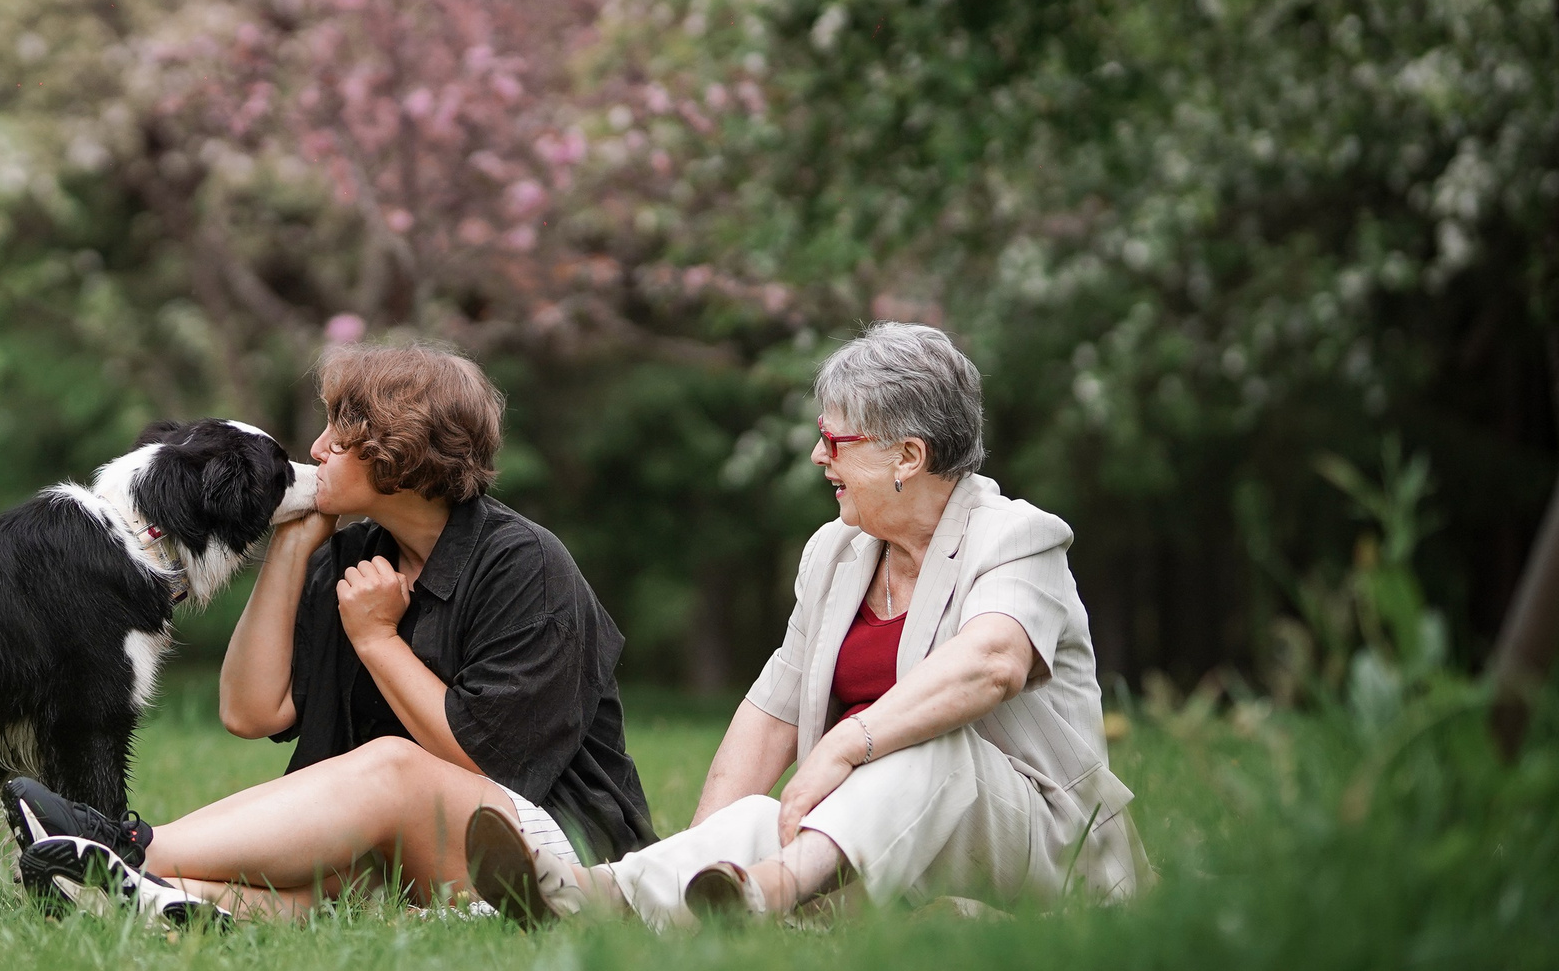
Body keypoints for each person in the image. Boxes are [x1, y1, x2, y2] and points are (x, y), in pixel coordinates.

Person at [468, 322, 1146, 927]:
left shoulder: (1017, 537)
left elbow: (993, 662)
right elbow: (773, 715)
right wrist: (703, 852)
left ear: (908, 456)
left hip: (1042, 850)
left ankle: (774, 890)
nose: (820, 456)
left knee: (930, 742)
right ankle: (592, 896)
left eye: (835, 440)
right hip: (872, 841)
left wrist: (848, 743)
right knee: (757, 819)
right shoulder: (836, 551)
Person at [1, 341, 655, 922]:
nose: (314, 451)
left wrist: (377, 640)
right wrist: (292, 546)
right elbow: (250, 711)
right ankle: (125, 890)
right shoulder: (353, 555)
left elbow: (485, 763)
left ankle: (126, 845)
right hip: (406, 852)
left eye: (338, 441)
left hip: (554, 856)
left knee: (394, 767)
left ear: (399, 456)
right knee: (301, 885)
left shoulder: (525, 566)